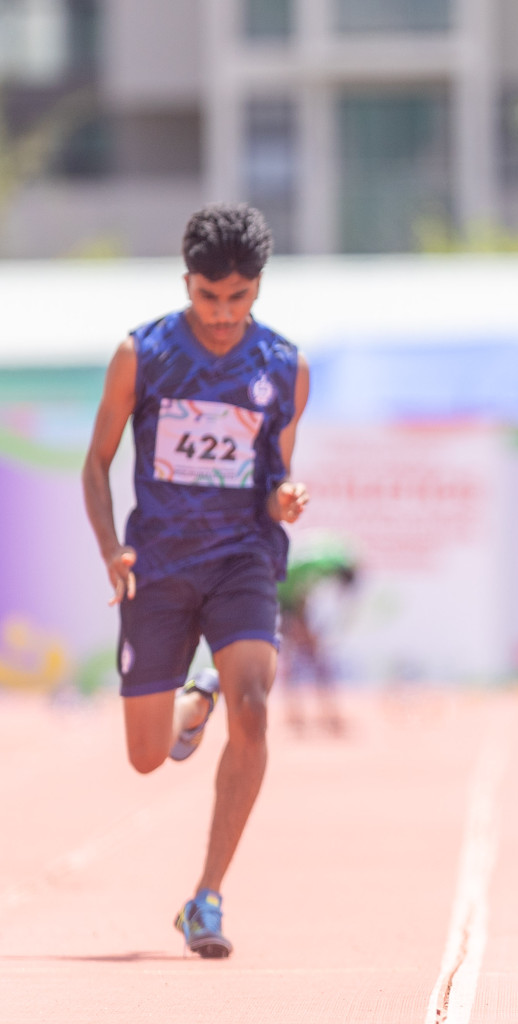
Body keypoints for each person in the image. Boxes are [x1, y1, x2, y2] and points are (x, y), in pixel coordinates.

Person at [81, 203, 310, 957]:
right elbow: (97, 460)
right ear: (187, 283)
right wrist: (112, 545)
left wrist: (284, 498)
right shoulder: (141, 353)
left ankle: (206, 897)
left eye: (237, 298)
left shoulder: (281, 365)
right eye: (208, 298)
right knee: (146, 758)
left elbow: (276, 471)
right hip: (160, 565)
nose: (221, 314)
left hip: (242, 556)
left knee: (255, 704)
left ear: (257, 289)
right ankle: (195, 695)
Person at [277, 542, 357, 735]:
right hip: (285, 601)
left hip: (288, 600)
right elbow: (295, 590)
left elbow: (301, 589)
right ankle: (305, 715)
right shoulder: (323, 568)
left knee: (306, 658)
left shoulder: (327, 561)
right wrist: (301, 625)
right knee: (307, 659)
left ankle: (306, 715)